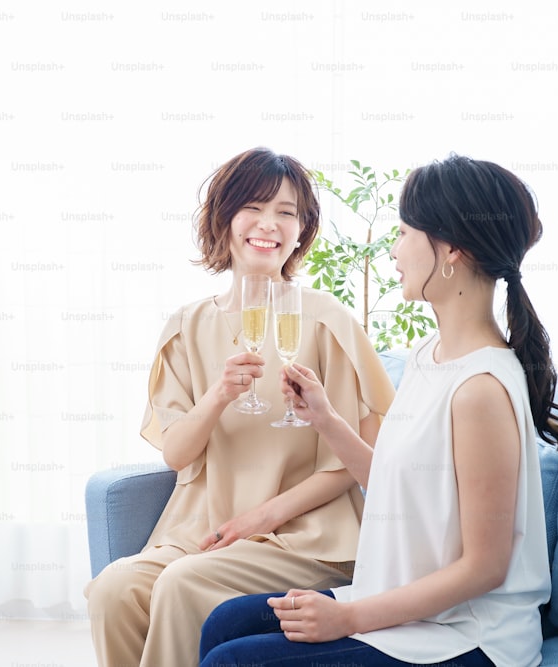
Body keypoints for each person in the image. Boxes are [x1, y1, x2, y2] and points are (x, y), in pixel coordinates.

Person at [199, 154, 558, 667]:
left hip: (468, 636)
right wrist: (327, 421)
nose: (394, 251)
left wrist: (349, 619)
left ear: (451, 251)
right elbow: (401, 488)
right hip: (407, 606)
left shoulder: (480, 389)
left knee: (233, 660)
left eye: (403, 234)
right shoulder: (429, 356)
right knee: (226, 622)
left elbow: (486, 568)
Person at [84, 147, 397, 667]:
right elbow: (178, 454)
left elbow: (349, 462)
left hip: (303, 538)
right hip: (200, 531)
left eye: (287, 212)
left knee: (183, 585)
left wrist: (260, 518)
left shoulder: (325, 321)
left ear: (302, 230)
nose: (269, 224)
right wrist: (219, 395)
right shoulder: (186, 327)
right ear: (223, 219)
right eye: (253, 206)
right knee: (114, 589)